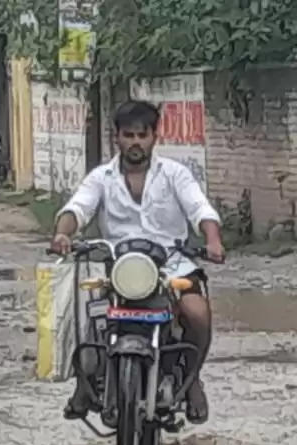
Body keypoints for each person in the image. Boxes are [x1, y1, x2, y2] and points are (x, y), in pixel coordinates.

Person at [50, 100, 225, 424]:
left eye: (141, 135)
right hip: (119, 267)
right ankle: (84, 385)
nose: (135, 142)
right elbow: (78, 209)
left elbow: (200, 209)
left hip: (171, 264)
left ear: (154, 137)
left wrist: (212, 240)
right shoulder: (101, 178)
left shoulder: (175, 175)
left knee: (197, 312)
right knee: (80, 312)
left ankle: (193, 381)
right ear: (116, 137)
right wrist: (63, 235)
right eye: (128, 135)